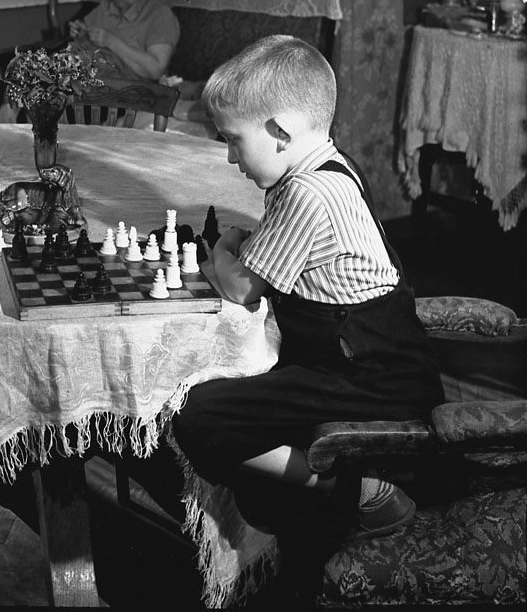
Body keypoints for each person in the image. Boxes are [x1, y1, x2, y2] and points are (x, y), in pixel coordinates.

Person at [171, 36, 442, 547]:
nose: (229, 157)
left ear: (281, 132)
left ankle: (360, 491)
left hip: (373, 378)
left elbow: (241, 288)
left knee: (197, 415)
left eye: (233, 140)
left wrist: (220, 250)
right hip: (363, 364)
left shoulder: (308, 191)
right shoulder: (326, 165)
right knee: (237, 404)